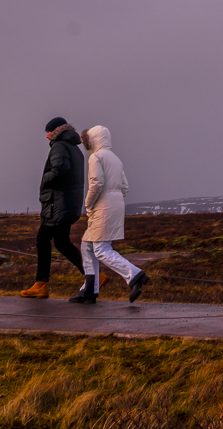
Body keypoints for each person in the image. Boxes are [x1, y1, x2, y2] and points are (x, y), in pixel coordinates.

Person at [72, 125, 147, 303]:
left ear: (93, 140)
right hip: (115, 204)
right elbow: (125, 187)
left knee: (101, 248)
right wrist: (114, 198)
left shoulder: (96, 157)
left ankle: (135, 275)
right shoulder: (115, 159)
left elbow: (96, 183)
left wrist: (88, 204)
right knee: (87, 245)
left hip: (102, 205)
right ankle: (89, 289)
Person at [19, 117, 85, 299]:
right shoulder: (74, 148)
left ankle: (41, 284)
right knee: (62, 242)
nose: (47, 136)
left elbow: (59, 171)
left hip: (57, 204)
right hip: (67, 203)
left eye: (48, 132)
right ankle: (94, 275)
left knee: (43, 239)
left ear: (56, 131)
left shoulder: (59, 146)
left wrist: (44, 178)